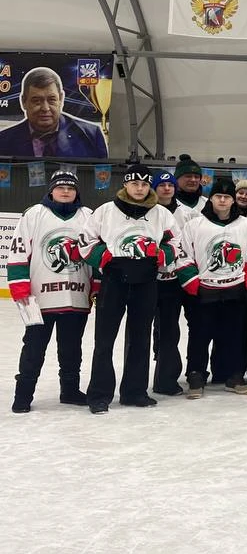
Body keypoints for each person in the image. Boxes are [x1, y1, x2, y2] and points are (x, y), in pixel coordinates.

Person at [77, 163, 179, 414]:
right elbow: (85, 242)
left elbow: (177, 242)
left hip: (146, 282)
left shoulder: (161, 213)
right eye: (135, 183)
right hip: (114, 281)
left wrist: (161, 255)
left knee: (140, 339)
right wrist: (106, 257)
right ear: (125, 184)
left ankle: (134, 392)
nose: (139, 188)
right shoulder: (105, 211)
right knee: (104, 340)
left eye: (144, 184)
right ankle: (99, 394)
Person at [176, 177, 247, 398]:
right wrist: (193, 283)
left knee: (234, 335)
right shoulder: (194, 225)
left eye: (227, 197)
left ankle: (234, 375)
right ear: (211, 198)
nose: (222, 200)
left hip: (235, 290)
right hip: (204, 291)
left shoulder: (245, 224)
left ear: (232, 200)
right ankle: (196, 375)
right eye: (218, 196)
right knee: (200, 335)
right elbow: (183, 256)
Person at [9, 170, 95, 412]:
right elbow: (18, 252)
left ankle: (69, 391)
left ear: (77, 191)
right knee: (33, 349)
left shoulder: (88, 216)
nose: (65, 191)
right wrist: (20, 288)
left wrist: (97, 286)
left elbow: (95, 254)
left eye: (70, 188)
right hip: (39, 300)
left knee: (71, 349)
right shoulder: (34, 214)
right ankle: (23, 395)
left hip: (76, 296)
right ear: (51, 190)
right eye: (60, 187)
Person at [148, 170, 192, 396]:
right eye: (162, 185)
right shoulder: (146, 211)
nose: (167, 189)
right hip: (148, 279)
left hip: (176, 278)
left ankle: (166, 378)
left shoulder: (185, 213)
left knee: (169, 329)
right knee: (145, 330)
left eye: (170, 185)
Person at [0, 66, 107, 158]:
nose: (45, 108)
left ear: (61, 99)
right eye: (36, 101)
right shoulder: (3, 141)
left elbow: (103, 174)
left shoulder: (91, 136)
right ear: (24, 102)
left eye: (51, 100)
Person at [172, 154, 207, 226]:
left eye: (196, 177)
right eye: (188, 176)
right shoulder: (168, 203)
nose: (193, 180)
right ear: (177, 179)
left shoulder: (208, 203)